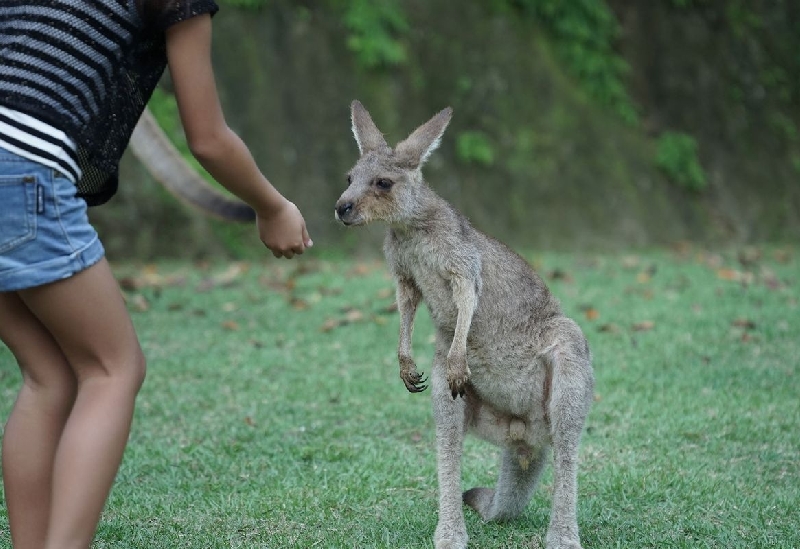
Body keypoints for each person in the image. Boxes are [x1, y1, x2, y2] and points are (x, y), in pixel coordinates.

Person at [0, 1, 312, 548]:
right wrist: (273, 206)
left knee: (48, 374)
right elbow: (208, 139)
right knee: (113, 370)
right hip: (24, 169)